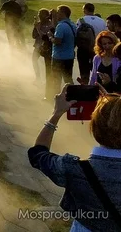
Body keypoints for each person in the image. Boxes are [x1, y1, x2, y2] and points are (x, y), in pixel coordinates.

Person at [28, 85, 121, 232]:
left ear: (95, 127)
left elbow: (37, 155)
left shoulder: (73, 169)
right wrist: (115, 105)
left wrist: (56, 114)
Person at [47, 6, 76, 102]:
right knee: (68, 79)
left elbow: (58, 41)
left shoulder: (61, 26)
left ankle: (57, 99)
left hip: (58, 57)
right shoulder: (72, 25)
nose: (57, 14)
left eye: (58, 12)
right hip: (69, 56)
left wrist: (51, 37)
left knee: (56, 80)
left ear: (63, 13)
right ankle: (72, 97)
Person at [76, 3, 108, 85]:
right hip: (98, 48)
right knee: (97, 70)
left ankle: (85, 86)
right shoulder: (101, 21)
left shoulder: (81, 20)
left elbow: (77, 34)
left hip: (84, 50)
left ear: (85, 10)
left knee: (84, 71)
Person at [32, 9, 54, 87]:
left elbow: (45, 37)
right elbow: (34, 36)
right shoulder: (38, 24)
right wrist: (35, 28)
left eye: (41, 15)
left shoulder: (51, 25)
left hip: (46, 47)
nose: (40, 16)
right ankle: (38, 77)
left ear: (47, 16)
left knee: (47, 65)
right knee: (34, 60)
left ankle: (48, 81)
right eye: (39, 15)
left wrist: (37, 28)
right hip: (38, 46)